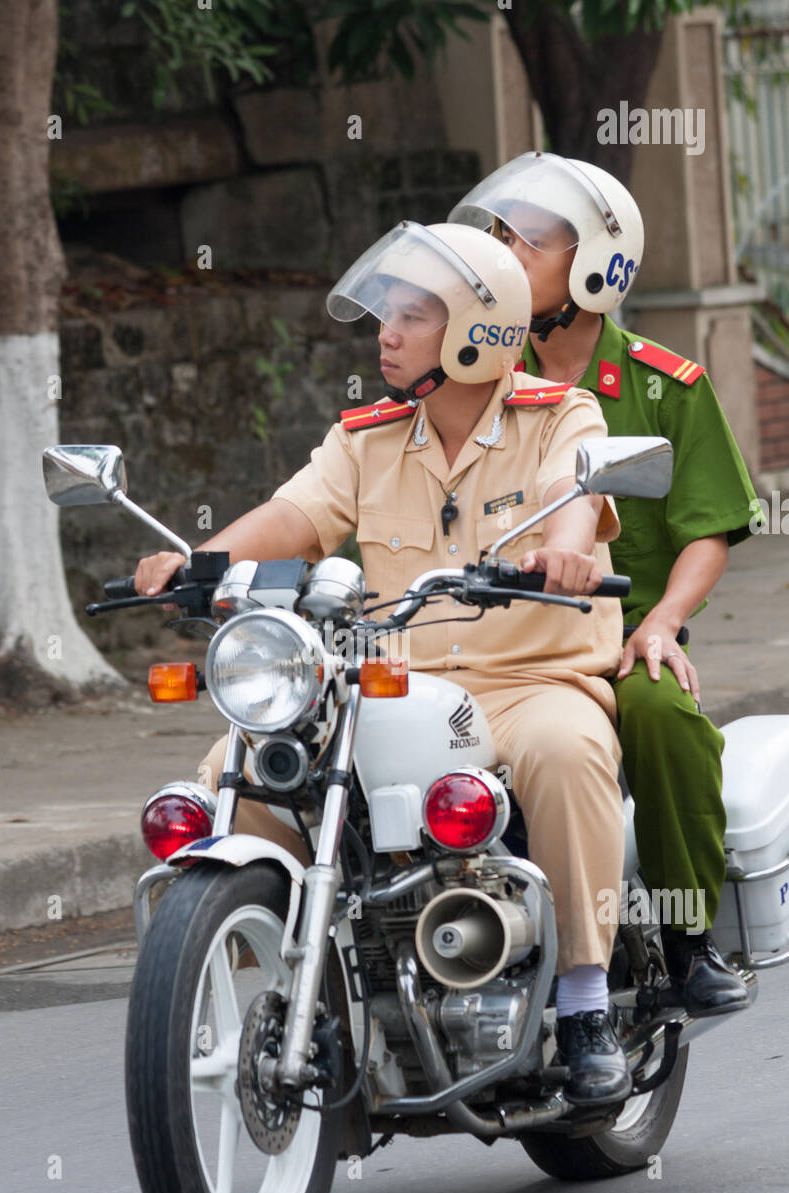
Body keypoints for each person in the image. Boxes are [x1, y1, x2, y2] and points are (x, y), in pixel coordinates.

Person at [135, 220, 633, 1105]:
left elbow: (574, 495)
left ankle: (587, 1002)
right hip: (394, 687)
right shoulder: (365, 439)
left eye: (412, 316)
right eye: (385, 315)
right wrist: (198, 564)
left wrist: (566, 548)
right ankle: (260, 975)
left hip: (528, 682)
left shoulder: (561, 415)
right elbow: (293, 516)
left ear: (479, 330)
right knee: (236, 769)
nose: (386, 334)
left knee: (568, 753)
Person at [450, 151, 763, 1016]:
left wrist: (661, 623)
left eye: (527, 240)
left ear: (594, 265)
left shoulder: (667, 390)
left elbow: (707, 530)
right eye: (499, 235)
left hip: (620, 636)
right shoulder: (472, 385)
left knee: (665, 717)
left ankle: (686, 939)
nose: (502, 253)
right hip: (499, 640)